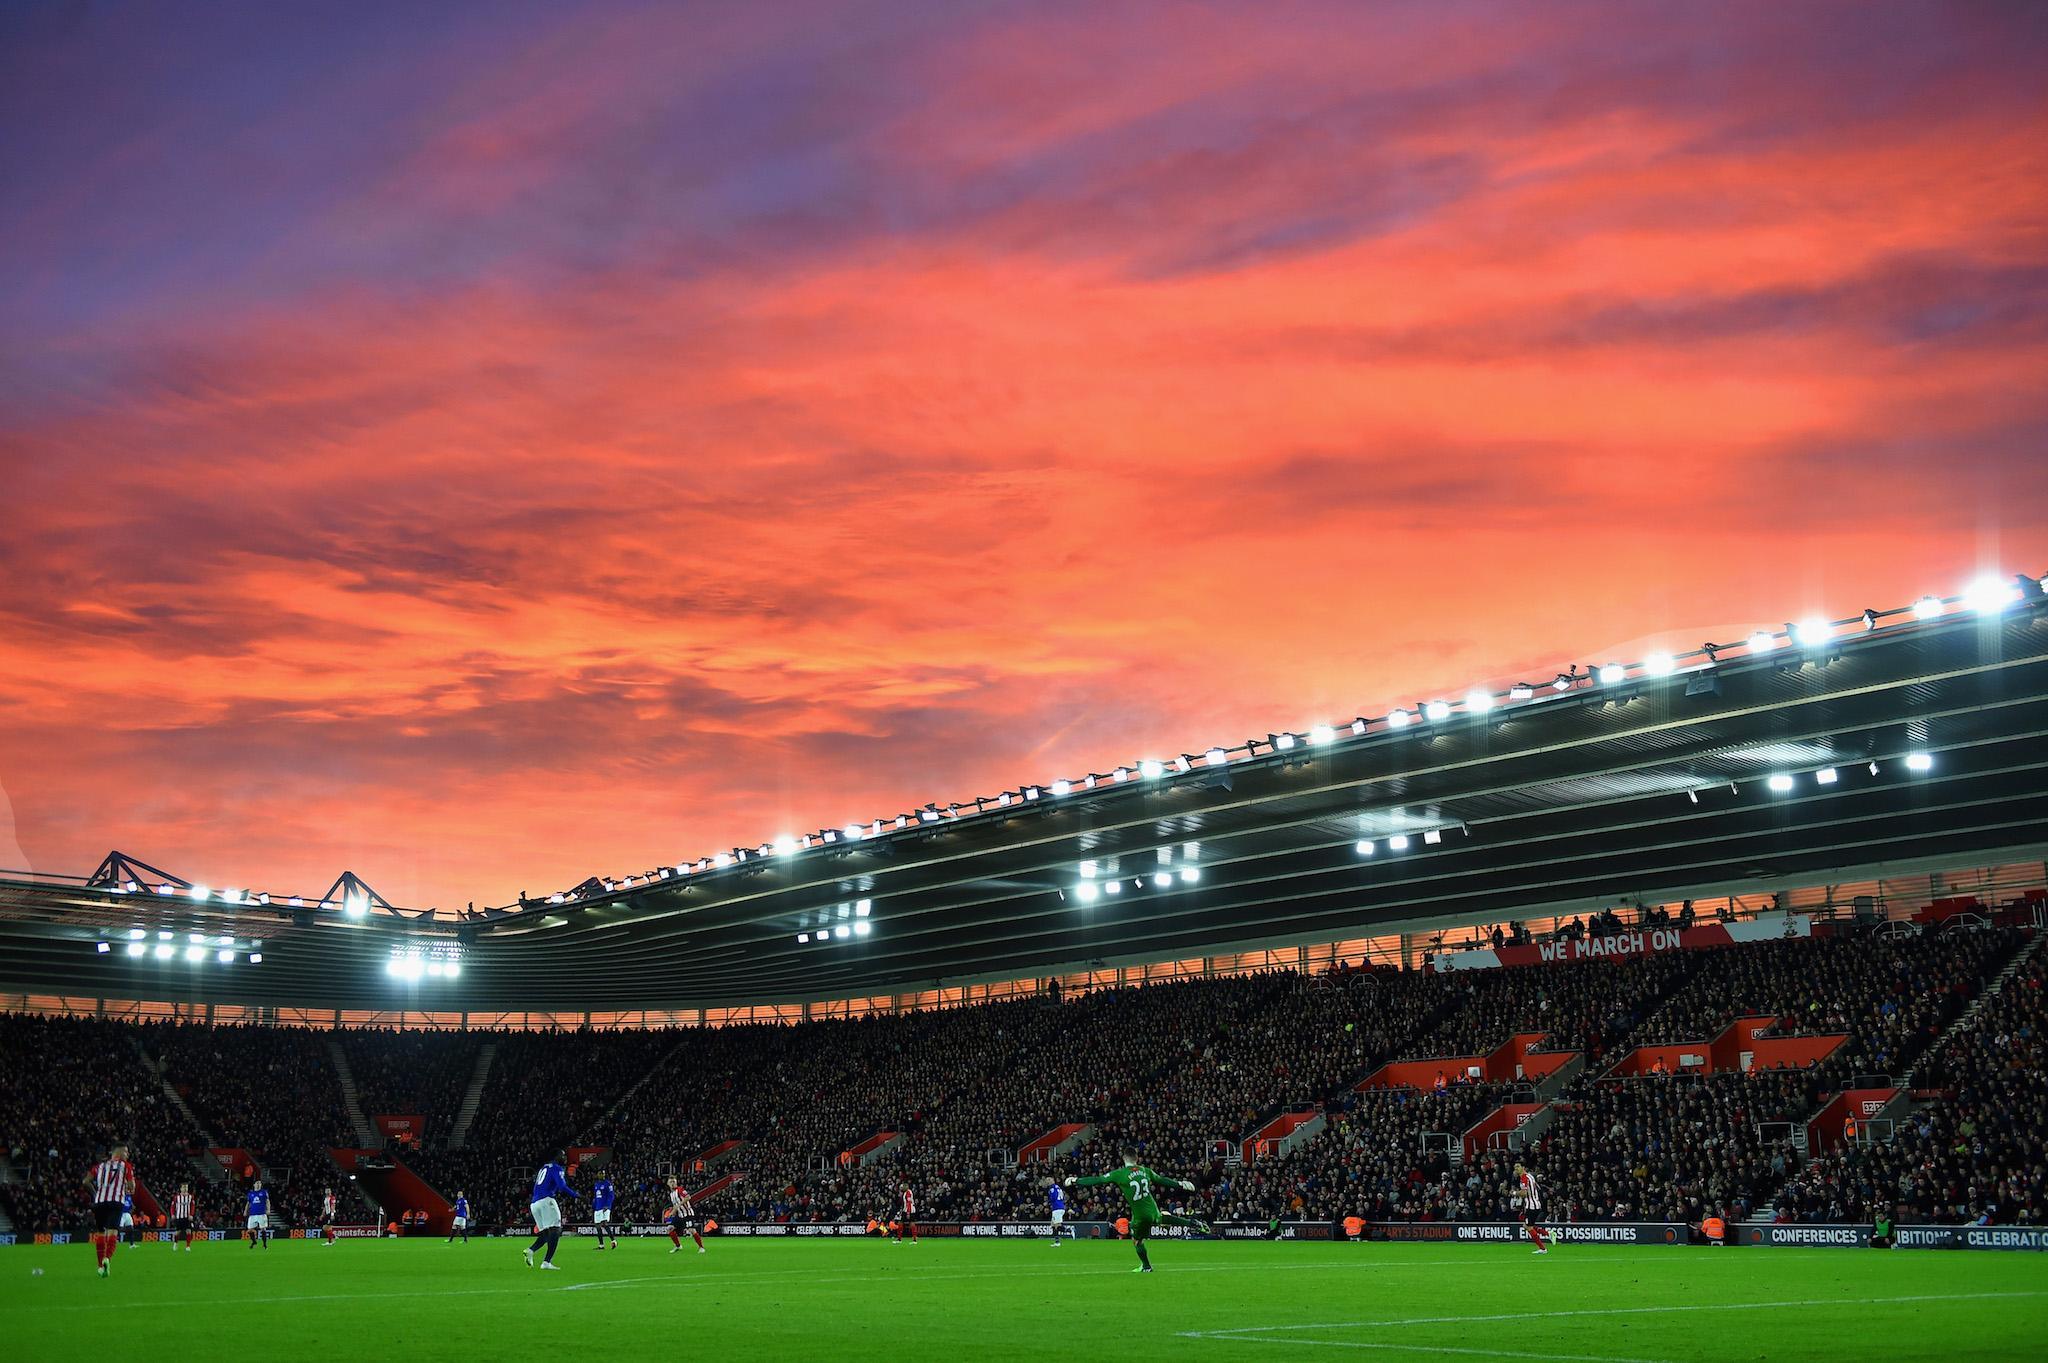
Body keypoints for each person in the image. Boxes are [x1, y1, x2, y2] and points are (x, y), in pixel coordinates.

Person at [1064, 1146, 1211, 1273]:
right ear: (1137, 1158)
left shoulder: (1120, 1173)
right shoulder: (1146, 1171)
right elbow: (1162, 1180)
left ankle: (1146, 1266)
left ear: (1123, 1158)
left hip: (1140, 1214)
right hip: (1152, 1207)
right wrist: (1181, 1184)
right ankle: (1193, 1224)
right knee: (1161, 1218)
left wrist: (1076, 1180)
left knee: (1137, 1241)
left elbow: (1098, 1180)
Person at [84, 1144, 134, 1277]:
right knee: (112, 1233)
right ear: (119, 1152)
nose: (127, 1155)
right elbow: (132, 1186)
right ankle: (107, 1258)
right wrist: (129, 1188)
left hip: (99, 1203)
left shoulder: (99, 1167)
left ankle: (100, 1267)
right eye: (126, 1152)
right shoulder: (126, 1166)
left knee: (101, 1233)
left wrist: (96, 1194)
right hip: (116, 1202)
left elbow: (85, 1182)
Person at [526, 1151, 575, 1269]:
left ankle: (530, 1250)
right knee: (557, 1229)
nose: (565, 1158)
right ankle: (546, 1262)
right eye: (563, 1156)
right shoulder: (557, 1168)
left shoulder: (543, 1168)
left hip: (534, 1203)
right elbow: (562, 1186)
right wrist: (576, 1195)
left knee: (547, 1233)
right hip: (546, 1200)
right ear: (557, 1157)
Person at [1514, 1163, 1552, 1254]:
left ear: (1523, 1167)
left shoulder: (1524, 1177)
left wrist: (1515, 1193)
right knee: (1526, 1224)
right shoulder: (1530, 1176)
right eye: (1515, 1167)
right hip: (1534, 1204)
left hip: (1532, 1206)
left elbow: (1524, 1193)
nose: (1516, 1169)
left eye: (1518, 1167)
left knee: (1528, 1226)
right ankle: (1548, 1235)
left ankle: (1543, 1248)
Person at [666, 1175, 704, 1254]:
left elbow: (688, 1197)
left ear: (676, 1182)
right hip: (679, 1215)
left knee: (692, 1230)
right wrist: (673, 1212)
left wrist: (678, 1206)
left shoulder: (680, 1189)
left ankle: (701, 1247)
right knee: (670, 1228)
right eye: (671, 1182)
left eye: (674, 1182)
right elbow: (675, 1205)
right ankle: (678, 1246)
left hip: (687, 1214)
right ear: (668, 1184)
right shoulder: (671, 1194)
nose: (672, 1183)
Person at [592, 1172, 619, 1250]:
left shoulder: (608, 1184)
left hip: (605, 1207)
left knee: (604, 1224)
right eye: (600, 1174)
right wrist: (594, 1205)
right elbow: (596, 1197)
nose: (602, 1175)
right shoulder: (596, 1184)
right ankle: (601, 1245)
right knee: (597, 1226)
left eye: (603, 1174)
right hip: (597, 1208)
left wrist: (607, 1205)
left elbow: (611, 1195)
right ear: (598, 1175)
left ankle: (613, 1240)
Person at [170, 1182, 195, 1253]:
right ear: (181, 1188)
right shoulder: (176, 1197)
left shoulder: (190, 1196)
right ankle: (175, 1243)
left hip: (187, 1217)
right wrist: (172, 1214)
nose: (185, 1189)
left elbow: (193, 1206)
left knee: (189, 1231)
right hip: (179, 1217)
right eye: (184, 1187)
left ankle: (188, 1246)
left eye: (186, 1187)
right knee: (178, 1232)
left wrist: (191, 1215)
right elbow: (172, 1206)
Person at [245, 1180, 271, 1249]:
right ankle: (254, 1241)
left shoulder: (264, 1192)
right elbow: (248, 1203)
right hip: (252, 1214)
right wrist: (245, 1211)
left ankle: (264, 1244)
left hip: (261, 1213)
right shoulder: (251, 1193)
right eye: (257, 1183)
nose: (259, 1184)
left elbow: (267, 1201)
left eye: (260, 1183)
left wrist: (268, 1209)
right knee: (249, 1230)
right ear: (254, 1185)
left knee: (263, 1229)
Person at [1046, 1176, 1068, 1247]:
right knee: (1053, 1225)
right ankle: (1057, 1242)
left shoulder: (1052, 1188)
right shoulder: (1058, 1187)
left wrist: (1048, 1202)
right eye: (1047, 1180)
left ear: (1053, 1180)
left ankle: (1069, 1230)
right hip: (1059, 1207)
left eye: (1049, 1180)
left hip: (1057, 1208)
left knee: (1057, 1226)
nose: (1047, 1181)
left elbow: (1053, 1197)